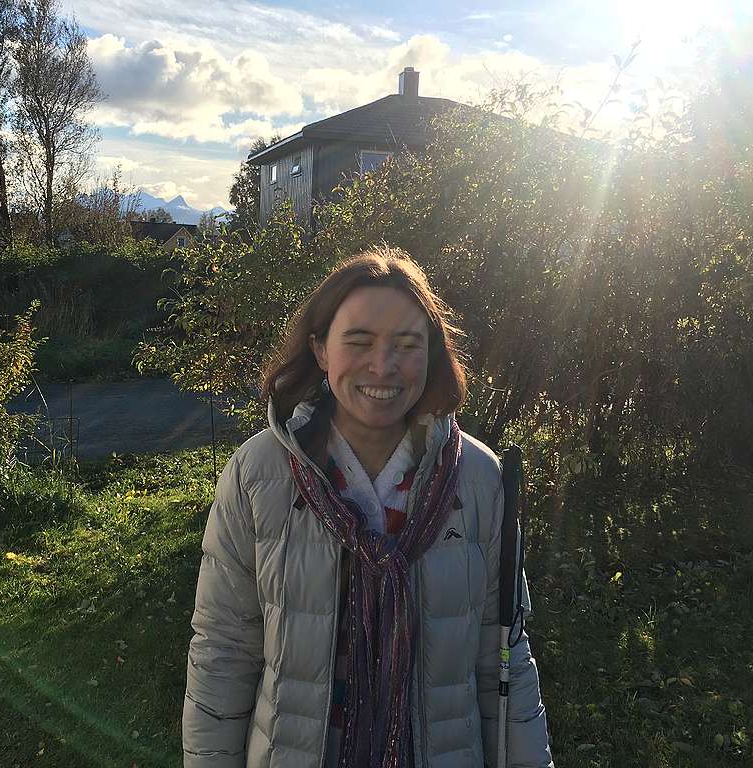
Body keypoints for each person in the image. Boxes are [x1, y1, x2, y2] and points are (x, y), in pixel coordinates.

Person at [182, 246, 553, 768]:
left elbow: (505, 655)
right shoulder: (258, 475)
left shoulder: (476, 479)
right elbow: (223, 652)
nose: (383, 365)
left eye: (407, 344)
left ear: (432, 354)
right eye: (359, 341)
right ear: (319, 350)